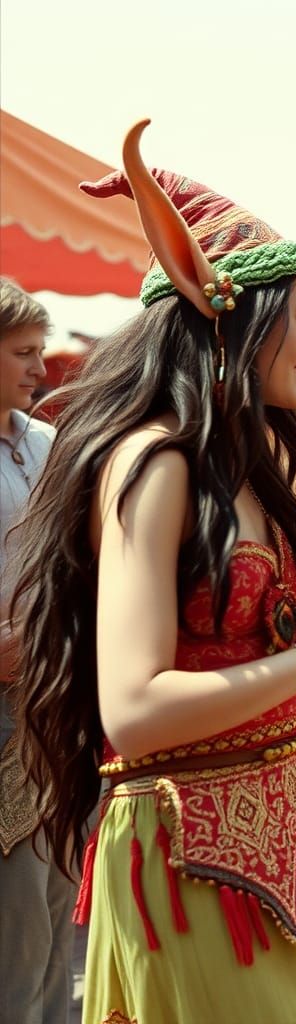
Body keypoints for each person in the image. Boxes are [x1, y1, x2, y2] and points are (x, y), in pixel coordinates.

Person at [11, 123, 296, 1024]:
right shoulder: (156, 465)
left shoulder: (246, 469)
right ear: (231, 315)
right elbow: (137, 709)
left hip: (289, 828)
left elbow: (219, 638)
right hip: (183, 853)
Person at [0, 279, 76, 1024]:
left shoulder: (47, 442)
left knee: (56, 906)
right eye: (23, 353)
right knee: (17, 921)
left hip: (51, 701)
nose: (39, 367)